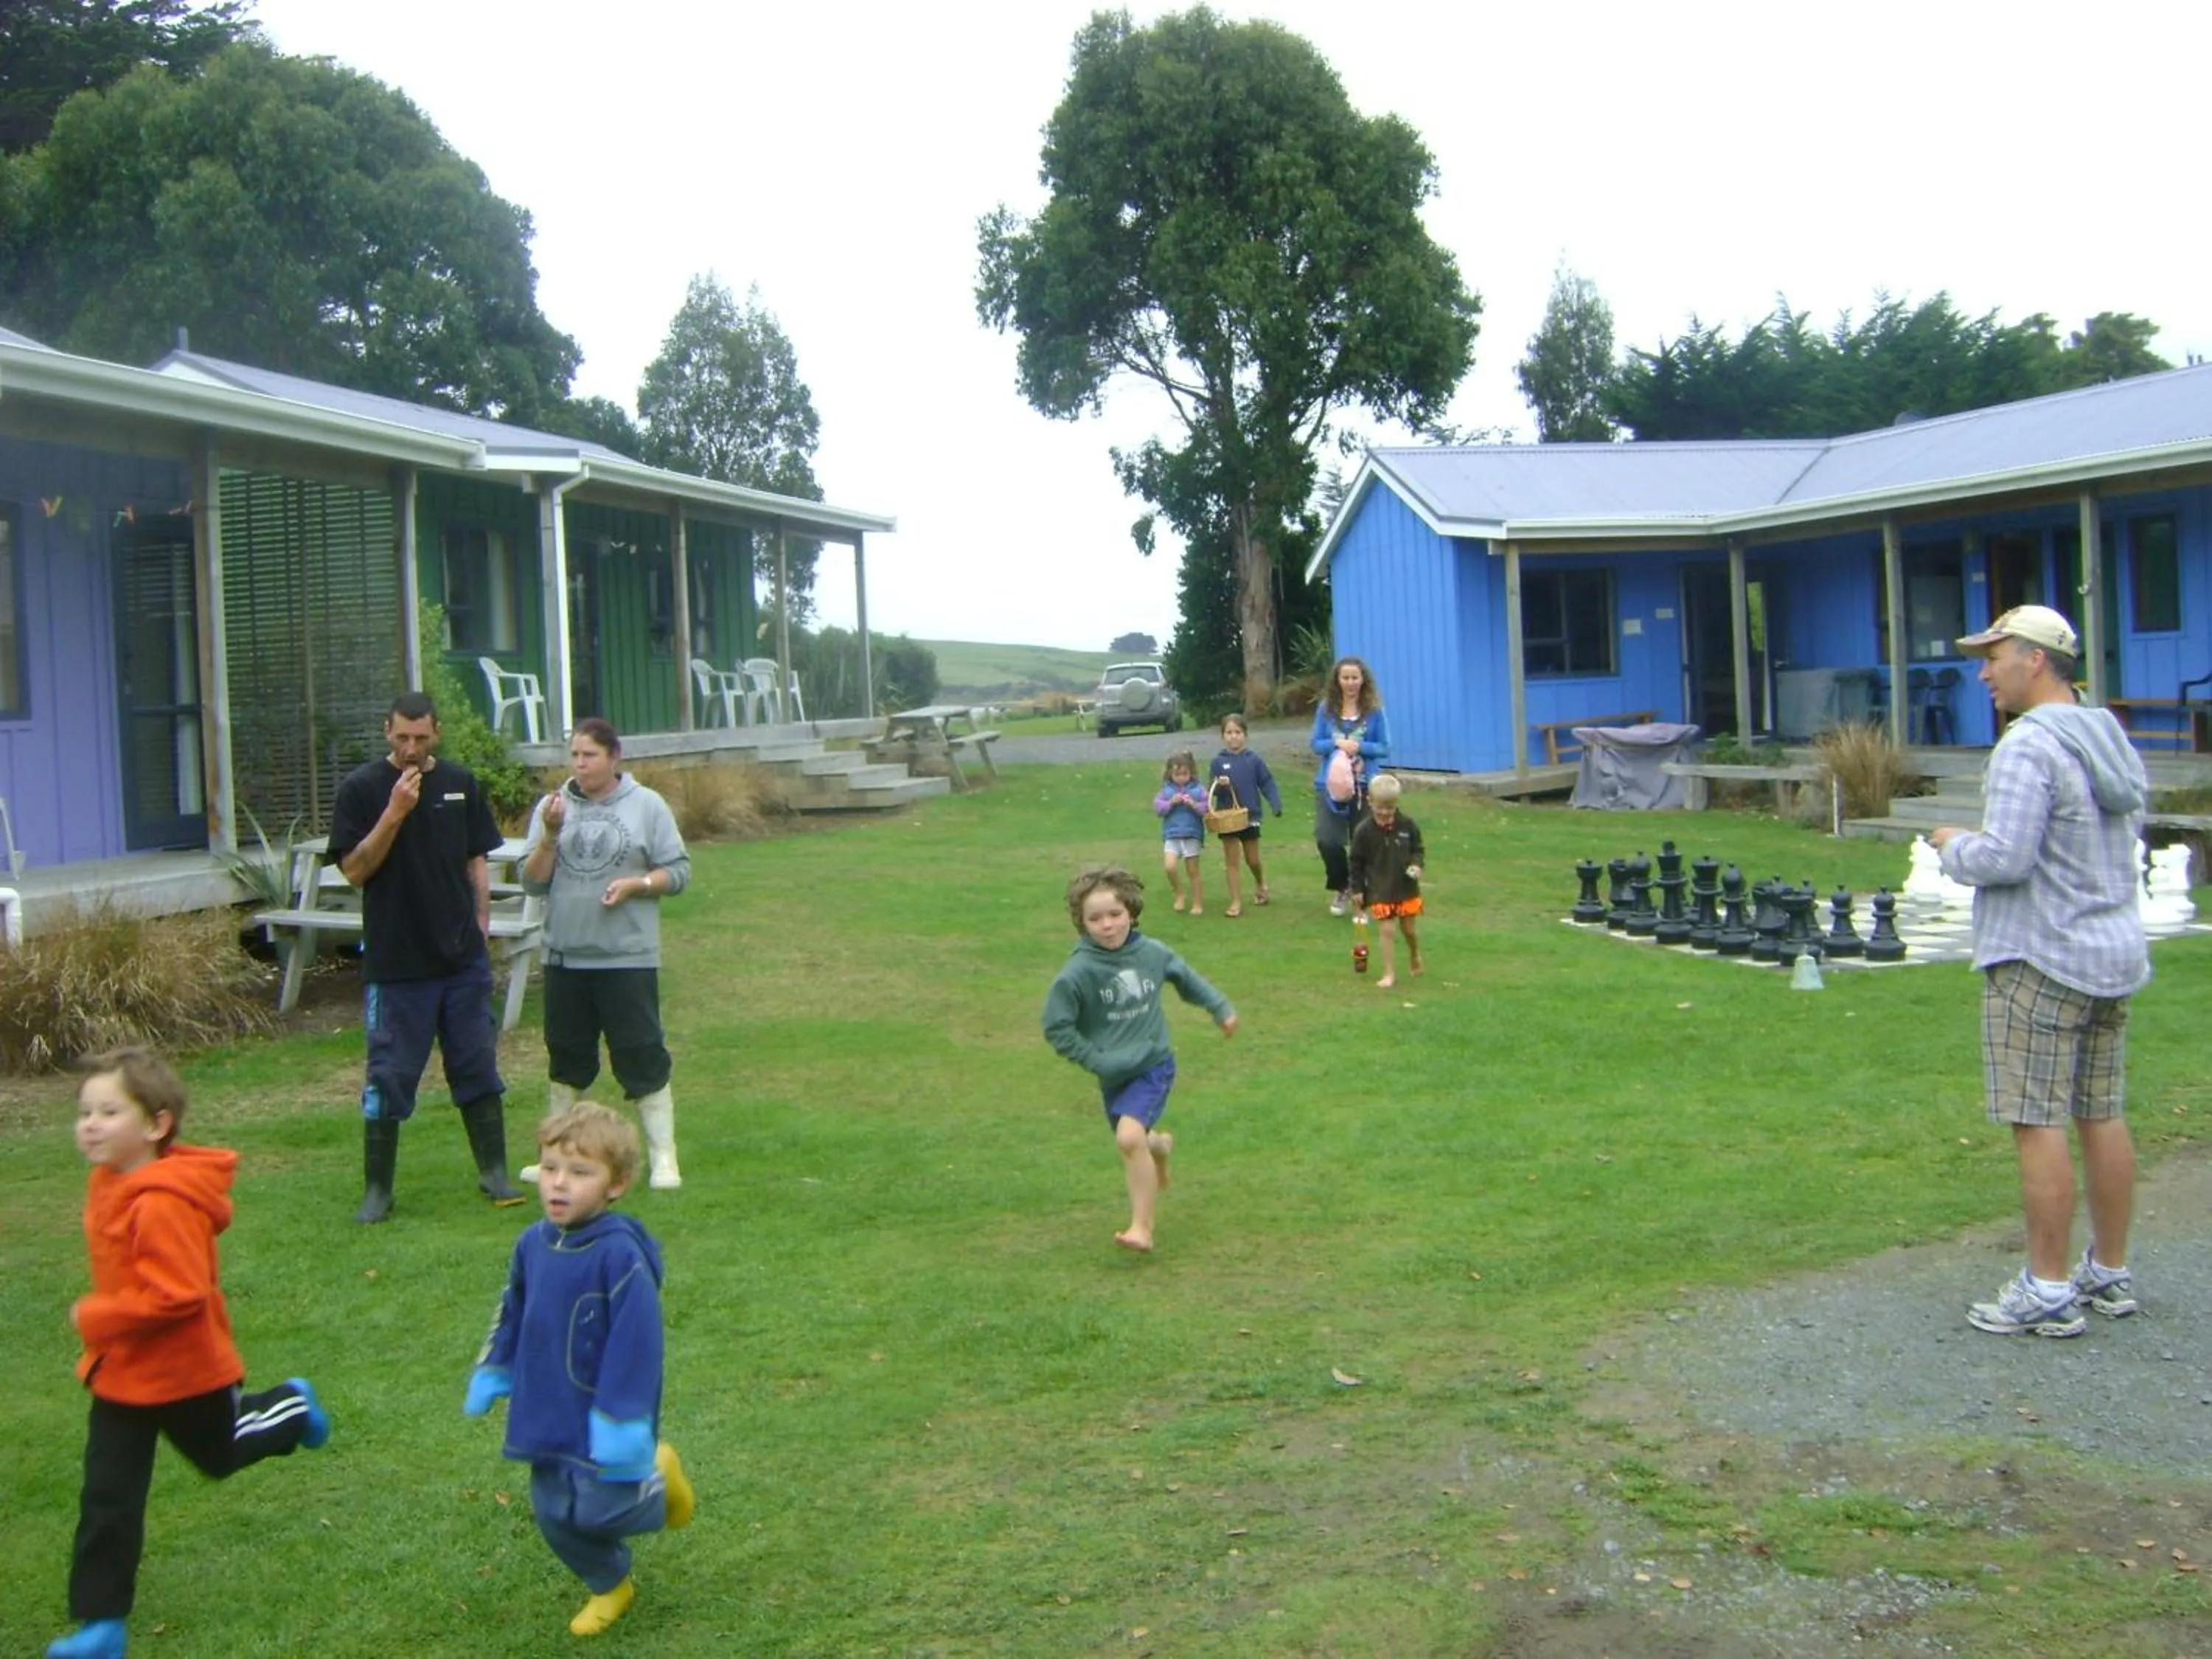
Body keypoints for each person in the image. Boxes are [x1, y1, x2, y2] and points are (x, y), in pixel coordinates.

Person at [48, 1048, 331, 1659]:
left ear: (156, 1125)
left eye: (108, 1112)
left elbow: (177, 1296)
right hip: (122, 1375)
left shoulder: (162, 1201)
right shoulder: (110, 1182)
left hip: (185, 1371)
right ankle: (101, 1626)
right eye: (84, 1112)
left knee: (221, 1455)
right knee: (108, 1497)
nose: (89, 1124)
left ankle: (291, 1407)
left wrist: (96, 1315)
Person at [1927, 605, 2149, 1338]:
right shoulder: (2106, 733)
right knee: (2101, 1110)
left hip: (2041, 956)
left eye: (1993, 656)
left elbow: (2005, 859)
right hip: (2110, 953)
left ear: (2035, 659)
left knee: (2036, 1118)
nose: (1984, 673)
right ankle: (2107, 1272)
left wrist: (1952, 843)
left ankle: (2047, 1287)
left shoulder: (2028, 747)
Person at [465, 1101, 697, 1637]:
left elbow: (638, 1344)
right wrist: (495, 1368)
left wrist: (622, 1420)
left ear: (617, 1184)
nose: (559, 1185)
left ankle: (661, 1488)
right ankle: (610, 1584)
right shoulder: (532, 1244)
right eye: (550, 1169)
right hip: (544, 1406)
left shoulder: (620, 1256)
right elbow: (512, 1307)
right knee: (554, 1514)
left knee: (598, 1511)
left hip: (603, 1412)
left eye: (580, 1172)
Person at [327, 690, 524, 1222]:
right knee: (388, 1075)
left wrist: (482, 923)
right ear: (386, 732)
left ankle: (494, 1172)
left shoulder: (460, 784)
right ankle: (378, 1191)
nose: (411, 748)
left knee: (477, 1066)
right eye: (401, 737)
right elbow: (354, 870)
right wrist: (395, 813)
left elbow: (475, 859)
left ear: (436, 733)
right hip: (397, 965)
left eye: (421, 737)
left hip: (461, 961)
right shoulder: (362, 790)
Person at [520, 719, 691, 1189]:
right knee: (566, 1057)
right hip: (565, 957)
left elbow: (678, 872)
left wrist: (640, 884)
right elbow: (532, 881)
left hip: (626, 957)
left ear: (614, 758)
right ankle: (553, 1158)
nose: (579, 764)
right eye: (574, 755)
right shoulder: (553, 807)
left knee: (640, 1053)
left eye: (589, 755)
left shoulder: (647, 806)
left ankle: (663, 1158)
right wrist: (551, 835)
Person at [1042, 866, 1237, 1252]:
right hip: (1113, 1075)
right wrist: (1095, 1059)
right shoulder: (1077, 973)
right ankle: (1160, 1146)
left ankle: (1142, 1229)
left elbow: (1188, 979)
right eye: (1094, 919)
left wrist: (1221, 1009)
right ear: (1081, 924)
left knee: (1129, 1138)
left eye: (1115, 915)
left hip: (1153, 1064)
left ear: (1131, 911)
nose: (1107, 925)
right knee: (1140, 1141)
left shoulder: (1152, 954)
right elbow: (1057, 1027)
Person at [1309, 656, 1391, 916]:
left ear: (1363, 679)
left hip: (1365, 786)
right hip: (1330, 785)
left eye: (1355, 677)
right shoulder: (1326, 709)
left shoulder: (1375, 711)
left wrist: (1360, 747)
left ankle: (1361, 895)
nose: (1350, 683)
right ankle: (1342, 885)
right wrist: (1336, 744)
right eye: (1345, 678)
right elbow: (1315, 744)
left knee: (1363, 842)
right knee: (1327, 840)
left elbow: (1385, 747)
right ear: (1337, 680)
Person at [1349, 774, 1426, 990]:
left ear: (1396, 804)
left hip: (1406, 887)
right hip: (1379, 889)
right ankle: (1389, 973)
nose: (1385, 813)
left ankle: (1414, 954)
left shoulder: (1408, 825)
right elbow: (1356, 862)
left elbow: (1418, 849)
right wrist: (1357, 889)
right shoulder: (1363, 831)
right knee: (1387, 931)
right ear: (1370, 801)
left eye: (1390, 808)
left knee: (1409, 930)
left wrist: (1417, 864)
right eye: (1380, 807)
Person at [1207, 714, 1282, 917]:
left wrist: (1275, 804)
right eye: (1229, 733)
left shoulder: (1254, 760)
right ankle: (1235, 902)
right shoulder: (1218, 762)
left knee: (1253, 859)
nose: (1233, 737)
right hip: (1227, 819)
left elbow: (1267, 783)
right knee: (1232, 861)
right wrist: (1218, 787)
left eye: (1237, 732)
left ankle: (1260, 883)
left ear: (1246, 735)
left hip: (1250, 817)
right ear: (1222, 736)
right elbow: (1210, 790)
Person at [1153, 750, 1210, 915]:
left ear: (1191, 773)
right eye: (1177, 774)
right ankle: (1179, 893)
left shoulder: (1198, 790)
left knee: (1193, 872)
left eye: (1184, 774)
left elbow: (1206, 809)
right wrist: (1170, 803)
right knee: (1169, 867)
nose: (1181, 778)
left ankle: (1198, 903)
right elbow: (1159, 809)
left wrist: (1193, 804)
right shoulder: (1166, 790)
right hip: (1172, 835)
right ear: (1170, 773)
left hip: (1192, 835)